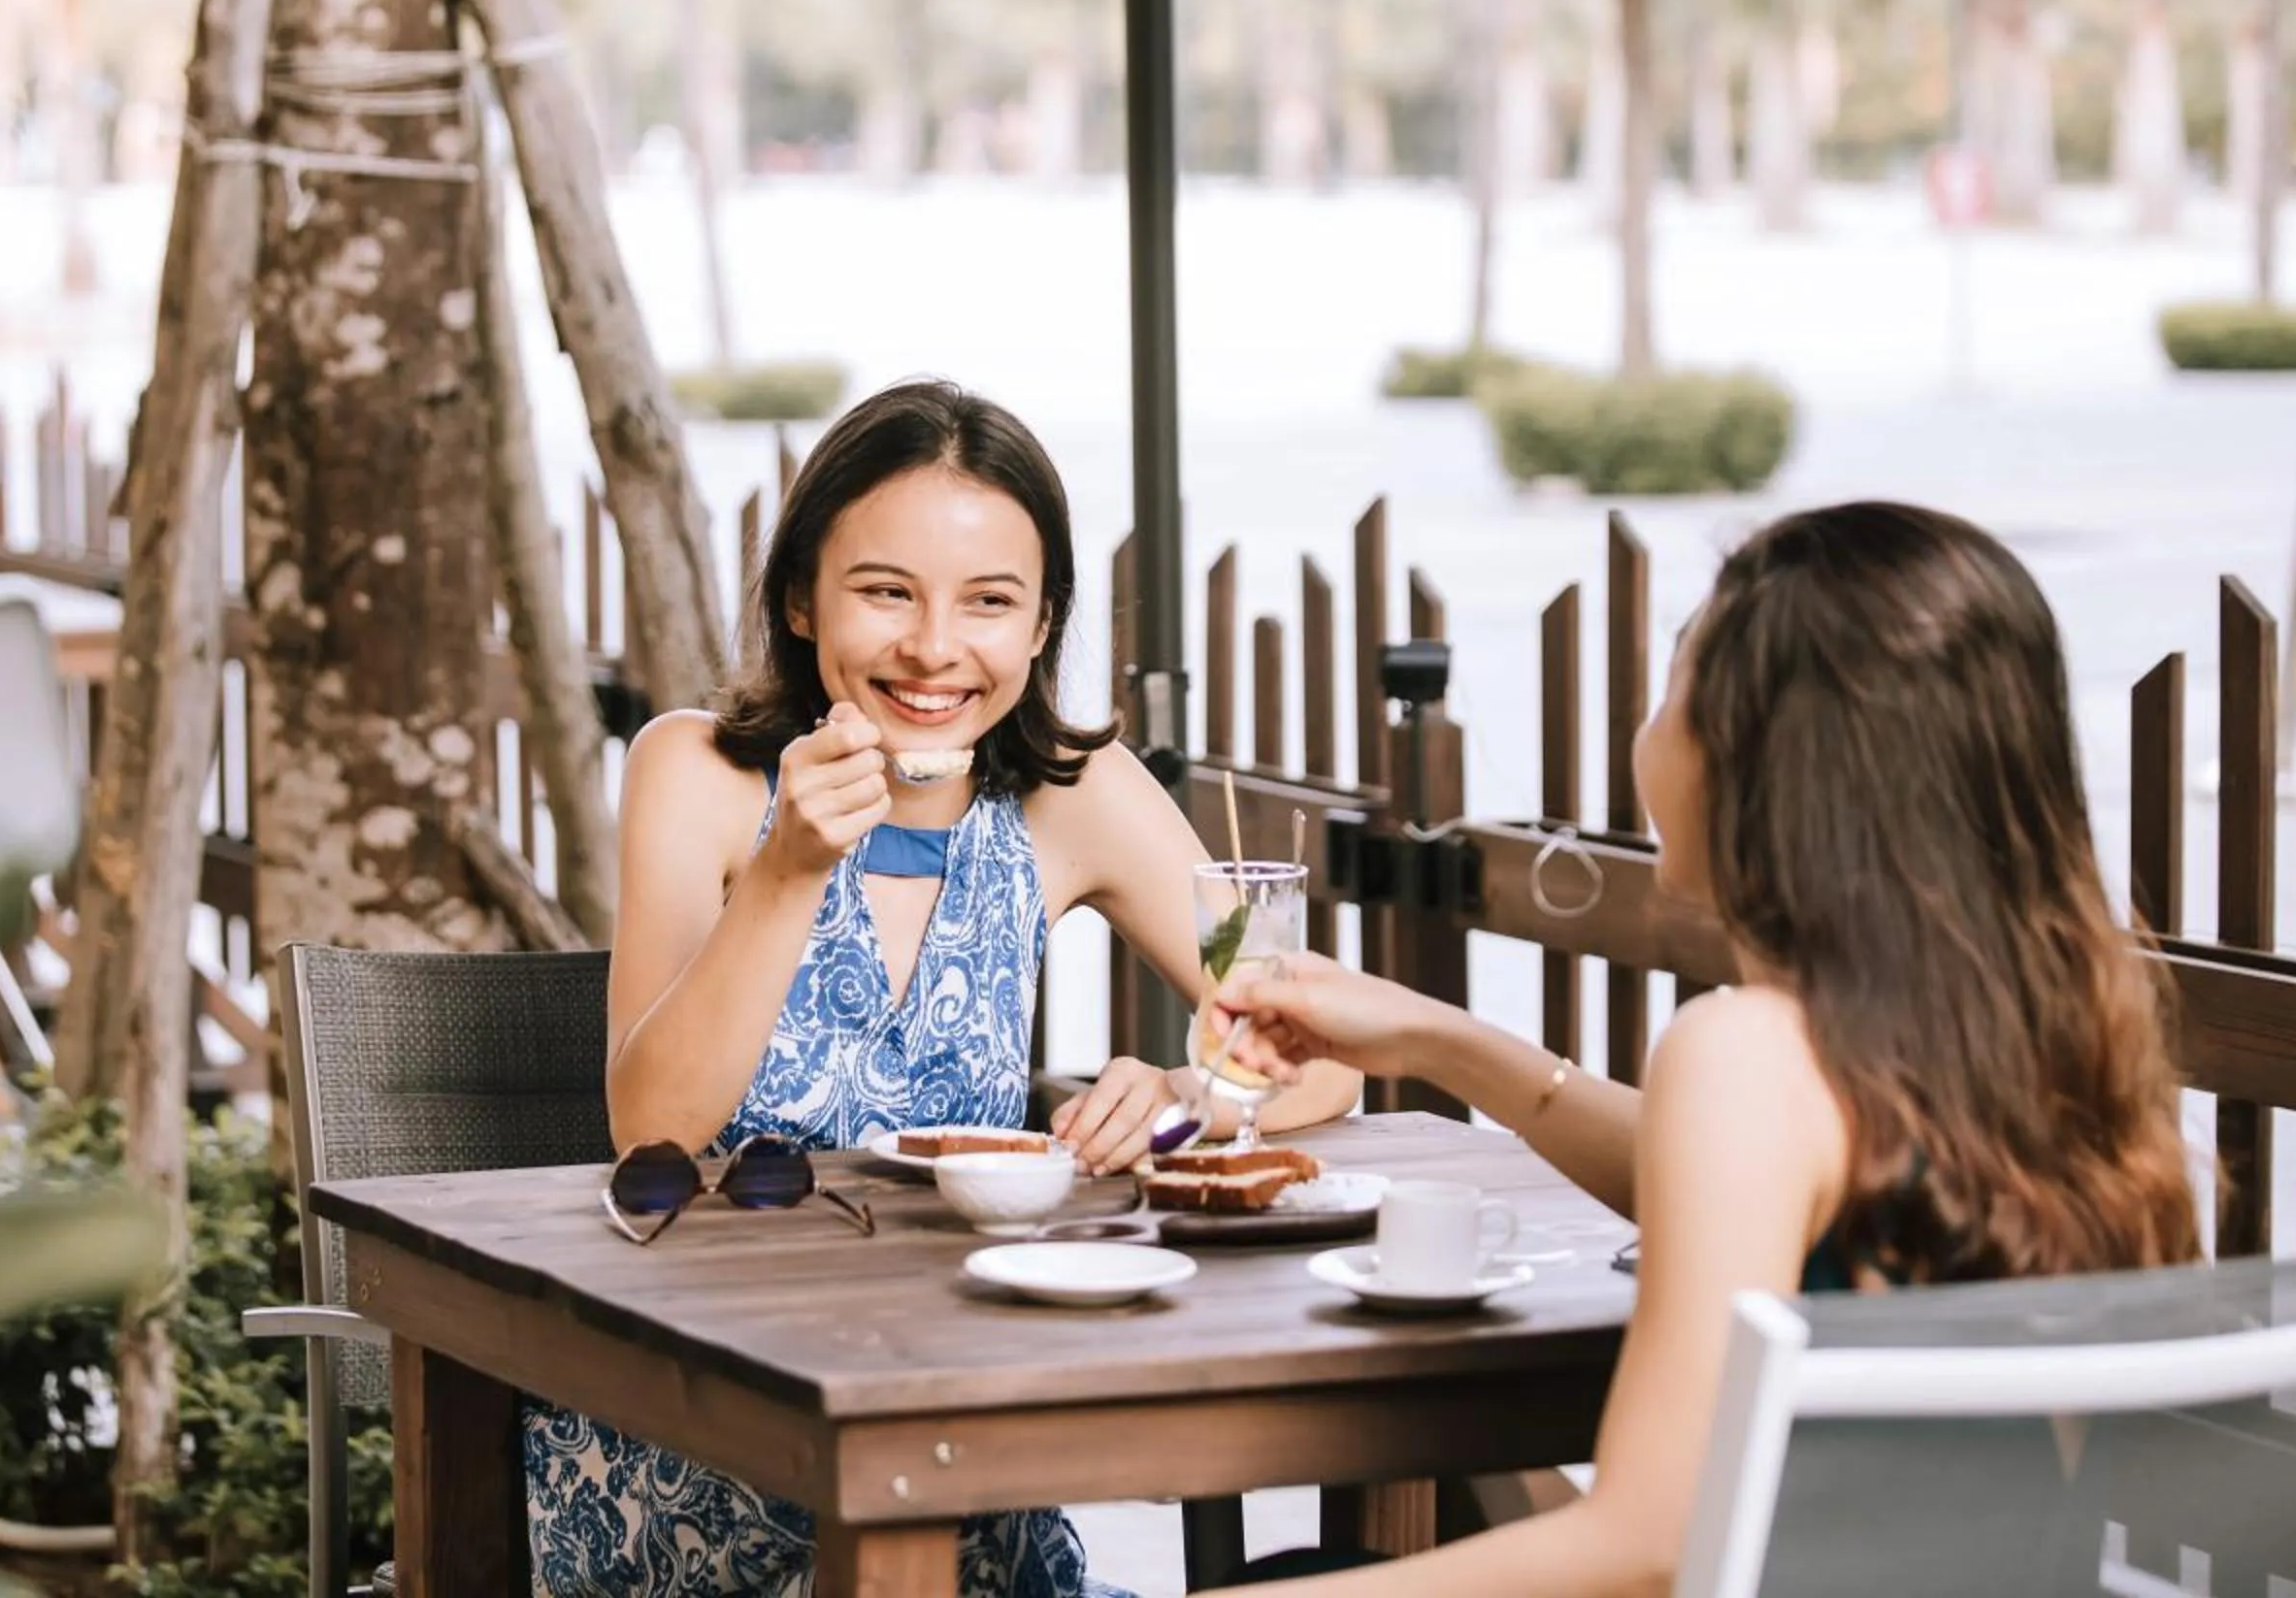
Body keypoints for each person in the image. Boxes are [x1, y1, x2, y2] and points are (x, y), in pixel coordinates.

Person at [1200, 501, 2201, 1594]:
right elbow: (1740, 1182)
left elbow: (1644, 1546)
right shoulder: (2054, 1052)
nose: (1649, 732)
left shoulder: (1748, 1052)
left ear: (1769, 760)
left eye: (1674, 692)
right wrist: (1437, 1035)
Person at [525, 377, 1362, 1597]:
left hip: (963, 1427)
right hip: (694, 1436)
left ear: (1041, 626)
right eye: (886, 591)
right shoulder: (695, 771)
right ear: (803, 598)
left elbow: (1328, 1053)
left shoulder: (1078, 795)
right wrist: (787, 870)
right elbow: (649, 1131)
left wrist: (1183, 1098)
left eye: (988, 602)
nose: (933, 647)